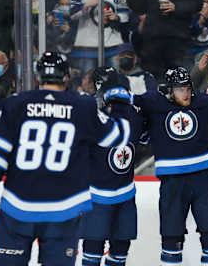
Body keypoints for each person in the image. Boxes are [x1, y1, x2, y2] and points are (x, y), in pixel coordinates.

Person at [0, 51, 134, 265]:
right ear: (66, 77)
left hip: (17, 207)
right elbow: (117, 136)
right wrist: (120, 103)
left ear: (38, 76)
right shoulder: (82, 106)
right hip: (63, 210)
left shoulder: (14, 104)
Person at [133, 67, 208, 265]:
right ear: (169, 90)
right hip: (172, 183)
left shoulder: (203, 103)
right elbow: (128, 105)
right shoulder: (153, 103)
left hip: (204, 180)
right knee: (172, 237)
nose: (186, 93)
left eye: (188, 88)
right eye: (180, 89)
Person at [81, 67, 144, 266]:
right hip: (96, 195)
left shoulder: (132, 112)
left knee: (120, 251)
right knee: (92, 251)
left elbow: (142, 135)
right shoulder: (89, 111)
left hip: (125, 194)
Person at [122, 0, 201, 81]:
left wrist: (176, 7)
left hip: (177, 41)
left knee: (179, 81)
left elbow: (197, 4)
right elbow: (140, 8)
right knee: (156, 83)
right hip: (152, 42)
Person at [69, 0, 130, 74]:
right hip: (87, 47)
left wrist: (116, 18)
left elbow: (125, 17)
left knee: (114, 82)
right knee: (88, 84)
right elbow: (72, 15)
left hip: (113, 47)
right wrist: (86, 5)